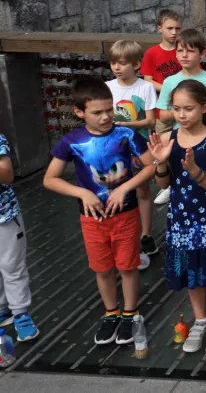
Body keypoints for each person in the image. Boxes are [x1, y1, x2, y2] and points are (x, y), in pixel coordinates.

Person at [43, 79, 154, 346]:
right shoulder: (72, 141)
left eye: (109, 110)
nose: (105, 117)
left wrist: (125, 187)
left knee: (128, 266)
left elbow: (150, 165)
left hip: (125, 214)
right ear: (79, 112)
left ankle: (130, 312)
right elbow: (50, 179)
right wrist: (82, 192)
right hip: (91, 218)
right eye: (97, 112)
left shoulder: (125, 135)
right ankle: (111, 312)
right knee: (102, 268)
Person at [148, 80, 206, 354]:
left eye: (188, 108)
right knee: (189, 269)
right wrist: (161, 162)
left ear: (204, 108)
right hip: (181, 216)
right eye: (176, 109)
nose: (182, 114)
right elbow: (163, 185)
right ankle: (200, 319)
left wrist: (194, 169)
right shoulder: (168, 138)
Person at [106, 40, 159, 265]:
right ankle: (120, 233)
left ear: (136, 64)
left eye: (122, 63)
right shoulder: (107, 87)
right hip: (114, 148)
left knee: (142, 189)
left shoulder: (145, 87)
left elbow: (150, 119)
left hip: (138, 146)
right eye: (113, 63)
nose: (117, 68)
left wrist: (125, 126)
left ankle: (146, 233)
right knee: (115, 187)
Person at [142, 9, 183, 207]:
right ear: (160, 29)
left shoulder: (183, 50)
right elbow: (147, 80)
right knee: (163, 146)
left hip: (183, 107)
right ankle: (166, 186)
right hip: (162, 109)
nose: (174, 32)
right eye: (169, 28)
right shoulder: (152, 53)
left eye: (177, 28)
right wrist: (170, 88)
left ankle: (182, 181)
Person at [0, 132, 38, 342]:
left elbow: (7, 175)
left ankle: (21, 314)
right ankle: (2, 311)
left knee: (12, 267)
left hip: (4, 216)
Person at [156, 29, 206, 128]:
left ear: (202, 54)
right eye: (180, 50)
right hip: (179, 138)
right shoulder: (169, 82)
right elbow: (163, 116)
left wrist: (195, 113)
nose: (184, 55)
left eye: (190, 51)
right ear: (176, 53)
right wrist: (184, 111)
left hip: (204, 137)